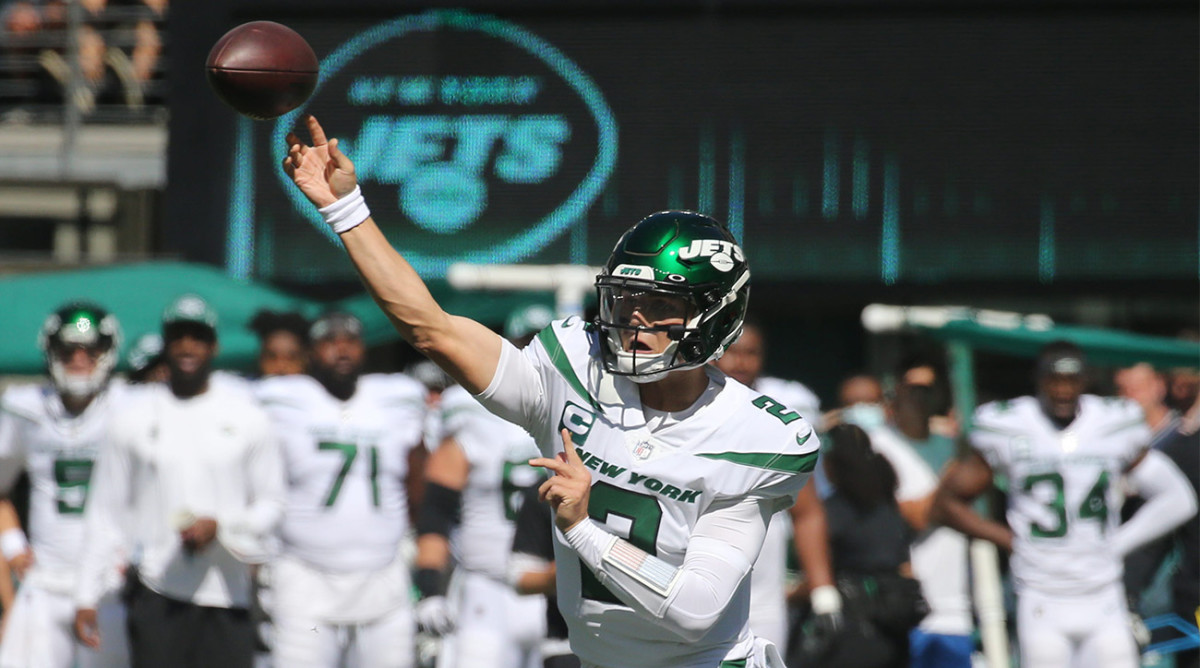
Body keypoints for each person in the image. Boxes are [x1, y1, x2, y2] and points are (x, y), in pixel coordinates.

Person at [283, 115, 819, 667]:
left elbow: (695, 608)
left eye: (660, 306)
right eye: (625, 301)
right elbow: (431, 328)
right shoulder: (571, 368)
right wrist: (344, 209)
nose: (635, 323)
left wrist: (582, 530)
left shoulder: (756, 435)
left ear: (714, 317)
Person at [933, 340, 1198, 668]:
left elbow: (1178, 498)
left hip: (1103, 594)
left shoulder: (1111, 422)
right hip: (1041, 595)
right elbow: (945, 505)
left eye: (1071, 380)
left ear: (1085, 380)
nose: (1062, 389)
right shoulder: (1010, 424)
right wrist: (1009, 539)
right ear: (1038, 379)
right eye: (1054, 379)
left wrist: (1116, 544)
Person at [73, 294, 286, 668]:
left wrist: (223, 527)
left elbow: (273, 503)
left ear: (214, 346)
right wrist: (86, 594)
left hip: (229, 595)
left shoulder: (247, 415)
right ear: (165, 344)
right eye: (178, 336)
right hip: (158, 592)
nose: (188, 346)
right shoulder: (133, 417)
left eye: (198, 336)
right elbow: (106, 509)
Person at [255, 311, 427, 668]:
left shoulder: (397, 397)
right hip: (305, 575)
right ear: (311, 352)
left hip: (383, 574)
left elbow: (417, 471)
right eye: (330, 342)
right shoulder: (281, 397)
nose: (342, 349)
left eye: (350, 341)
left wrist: (414, 530)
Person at [413, 303, 552, 668]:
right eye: (524, 343)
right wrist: (429, 586)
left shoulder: (575, 410)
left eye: (540, 344)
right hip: (486, 587)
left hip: (555, 591)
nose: (531, 354)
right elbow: (437, 507)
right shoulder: (471, 411)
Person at [0, 302, 130, 668]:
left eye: (91, 349)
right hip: (43, 584)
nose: (79, 358)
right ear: (50, 352)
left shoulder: (129, 407)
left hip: (109, 588)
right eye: (68, 349)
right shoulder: (25, 408)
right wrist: (12, 546)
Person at [713, 319, 829, 651]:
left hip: (763, 589)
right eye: (732, 352)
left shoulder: (780, 420)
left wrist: (823, 591)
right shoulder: (685, 409)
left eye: (751, 353)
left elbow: (807, 510)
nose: (741, 362)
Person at [802, 424, 922, 668]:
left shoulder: (832, 512)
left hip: (854, 628)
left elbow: (824, 570)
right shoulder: (889, 507)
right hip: (896, 624)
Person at [248, 309, 311, 378]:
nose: (281, 366)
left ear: (305, 360)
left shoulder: (317, 387)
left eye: (291, 358)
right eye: (271, 357)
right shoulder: (245, 387)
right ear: (260, 359)